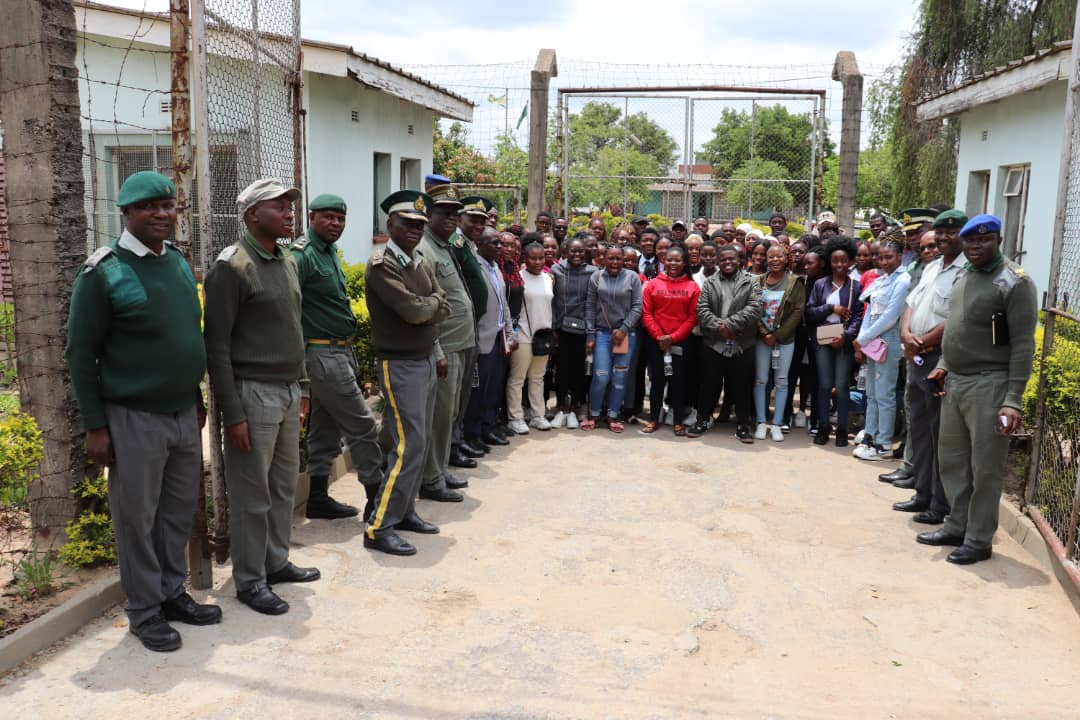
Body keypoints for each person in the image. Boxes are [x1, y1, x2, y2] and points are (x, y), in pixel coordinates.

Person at [66, 171, 219, 651]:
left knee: (176, 512)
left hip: (181, 412)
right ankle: (144, 609)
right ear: (126, 213)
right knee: (137, 517)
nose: (161, 213)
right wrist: (95, 425)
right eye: (148, 206)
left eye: (167, 205)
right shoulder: (103, 273)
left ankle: (172, 593)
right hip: (133, 417)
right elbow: (80, 354)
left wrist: (195, 398)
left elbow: (184, 337)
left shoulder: (176, 262)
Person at [204, 178, 318, 615]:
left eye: (290, 206)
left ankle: (275, 561)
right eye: (279, 207)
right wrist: (233, 414)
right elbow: (217, 346)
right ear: (253, 214)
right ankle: (250, 580)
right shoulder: (232, 267)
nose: (290, 213)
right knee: (252, 493)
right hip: (253, 394)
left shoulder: (285, 260)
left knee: (283, 484)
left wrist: (302, 387)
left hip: (287, 391)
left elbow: (294, 327)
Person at [917, 214, 1038, 564]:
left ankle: (979, 538)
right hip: (955, 381)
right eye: (970, 240)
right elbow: (957, 326)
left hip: (991, 384)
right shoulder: (965, 274)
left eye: (984, 240)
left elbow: (1022, 345)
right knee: (953, 460)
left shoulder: (1014, 282)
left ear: (998, 240)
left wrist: (1012, 400)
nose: (976, 246)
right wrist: (943, 364)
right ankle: (956, 525)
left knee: (985, 467)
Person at [364, 190, 452, 557]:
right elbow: (414, 311)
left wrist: (427, 306)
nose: (415, 230)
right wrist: (430, 306)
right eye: (408, 224)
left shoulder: (418, 261)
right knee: (408, 444)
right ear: (391, 225)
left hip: (424, 359)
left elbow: (442, 304)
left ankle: (404, 511)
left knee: (420, 441)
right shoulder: (382, 264)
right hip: (400, 363)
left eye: (419, 225)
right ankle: (379, 526)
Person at [292, 193, 383, 521]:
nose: (335, 223)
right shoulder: (302, 255)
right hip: (321, 354)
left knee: (325, 427)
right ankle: (377, 501)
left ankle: (317, 498)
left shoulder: (328, 252)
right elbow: (289, 310)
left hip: (339, 351)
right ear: (311, 218)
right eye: (328, 217)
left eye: (340, 218)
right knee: (362, 425)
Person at [891, 210, 967, 523]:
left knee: (940, 434)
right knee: (919, 428)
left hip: (939, 359)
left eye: (951, 232)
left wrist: (921, 341)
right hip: (916, 356)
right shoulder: (933, 267)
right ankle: (922, 493)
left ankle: (939, 504)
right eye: (941, 232)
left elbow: (958, 317)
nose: (944, 238)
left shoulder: (966, 271)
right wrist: (906, 335)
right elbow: (911, 305)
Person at [416, 183, 475, 502]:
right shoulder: (425, 249)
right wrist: (437, 349)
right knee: (438, 417)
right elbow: (426, 305)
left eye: (455, 213)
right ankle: (431, 479)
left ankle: (439, 469)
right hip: (445, 346)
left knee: (448, 413)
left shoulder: (444, 245)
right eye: (444, 212)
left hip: (459, 343)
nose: (452, 218)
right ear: (429, 215)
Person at [687, 245, 763, 442]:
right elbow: (702, 309)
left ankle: (743, 425)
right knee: (709, 384)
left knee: (742, 386)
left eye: (732, 259)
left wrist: (730, 324)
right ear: (718, 262)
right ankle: (702, 420)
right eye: (724, 259)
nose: (728, 262)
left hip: (742, 343)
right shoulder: (710, 282)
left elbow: (755, 308)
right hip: (714, 343)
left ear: (739, 260)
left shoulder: (751, 282)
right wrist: (719, 327)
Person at [852, 237, 910, 460]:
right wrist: (862, 338)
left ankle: (884, 443)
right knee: (872, 393)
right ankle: (870, 436)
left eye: (889, 257)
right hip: (871, 341)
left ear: (900, 256)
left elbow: (890, 316)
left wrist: (864, 338)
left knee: (885, 394)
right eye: (881, 257)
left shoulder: (903, 280)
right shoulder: (881, 280)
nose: (884, 261)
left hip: (888, 340)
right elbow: (869, 310)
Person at [805, 237, 863, 446]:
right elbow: (810, 312)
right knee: (824, 385)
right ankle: (823, 427)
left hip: (843, 340)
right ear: (830, 262)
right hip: (823, 339)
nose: (839, 264)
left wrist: (846, 336)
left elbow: (858, 317)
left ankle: (842, 429)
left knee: (841, 386)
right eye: (835, 260)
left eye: (843, 260)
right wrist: (831, 308)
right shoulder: (820, 284)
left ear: (850, 262)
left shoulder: (856, 286)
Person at [640, 244, 701, 435]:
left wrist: (673, 337)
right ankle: (653, 419)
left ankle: (677, 422)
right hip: (656, 341)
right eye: (669, 259)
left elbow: (692, 317)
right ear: (663, 261)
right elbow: (646, 313)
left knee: (678, 382)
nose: (673, 263)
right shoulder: (653, 284)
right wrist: (659, 336)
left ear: (684, 263)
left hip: (680, 342)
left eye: (677, 260)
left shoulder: (692, 287)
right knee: (657, 381)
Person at [584, 245, 643, 432]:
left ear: (624, 260)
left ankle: (613, 415)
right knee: (601, 376)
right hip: (602, 334)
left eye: (619, 258)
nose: (615, 262)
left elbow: (637, 307)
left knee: (620, 377)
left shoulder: (632, 277)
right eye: (611, 258)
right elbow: (589, 307)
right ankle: (594, 413)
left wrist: (624, 329)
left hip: (626, 336)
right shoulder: (597, 277)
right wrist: (590, 334)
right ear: (604, 259)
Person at [752, 244, 806, 442]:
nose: (775, 260)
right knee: (761, 380)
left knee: (782, 381)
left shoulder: (794, 282)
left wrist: (778, 335)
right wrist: (765, 333)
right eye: (771, 257)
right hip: (762, 339)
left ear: (786, 259)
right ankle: (760, 422)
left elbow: (798, 312)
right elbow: (752, 308)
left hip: (785, 340)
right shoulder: (758, 281)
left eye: (779, 256)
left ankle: (776, 423)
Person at [464, 225, 511, 450]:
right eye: (495, 243)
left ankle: (487, 428)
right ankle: (472, 435)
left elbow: (503, 303)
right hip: (482, 338)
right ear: (479, 244)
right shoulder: (474, 267)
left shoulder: (495, 267)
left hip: (499, 338)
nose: (500, 247)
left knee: (493, 388)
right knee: (478, 391)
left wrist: (509, 332)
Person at [506, 242, 556, 434]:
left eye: (541, 258)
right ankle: (515, 418)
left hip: (543, 336)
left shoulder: (548, 278)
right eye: (533, 258)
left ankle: (537, 415)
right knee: (517, 379)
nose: (537, 262)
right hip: (524, 335)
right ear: (524, 258)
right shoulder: (518, 277)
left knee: (537, 377)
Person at [550, 237, 594, 429]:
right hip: (561, 328)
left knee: (578, 370)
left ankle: (575, 408)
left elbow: (591, 303)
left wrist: (590, 333)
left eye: (580, 251)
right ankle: (560, 407)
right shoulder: (556, 270)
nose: (577, 254)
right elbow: (552, 299)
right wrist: (553, 326)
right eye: (573, 251)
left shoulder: (593, 272)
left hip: (582, 328)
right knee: (561, 369)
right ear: (565, 252)